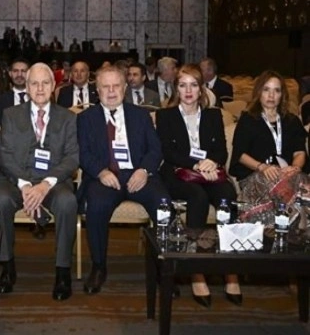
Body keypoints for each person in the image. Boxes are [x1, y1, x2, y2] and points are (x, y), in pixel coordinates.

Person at [77, 66, 168, 295]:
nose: (111, 91)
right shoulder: (85, 118)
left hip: (138, 175)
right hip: (105, 177)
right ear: (97, 90)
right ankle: (99, 266)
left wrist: (144, 170)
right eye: (105, 87)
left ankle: (165, 266)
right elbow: (82, 153)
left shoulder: (140, 115)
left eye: (116, 86)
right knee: (96, 205)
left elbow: (155, 149)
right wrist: (101, 172)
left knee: (164, 205)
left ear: (125, 88)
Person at [155, 64, 240, 308]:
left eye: (193, 85)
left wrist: (212, 162)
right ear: (176, 89)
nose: (188, 90)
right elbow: (168, 152)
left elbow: (221, 151)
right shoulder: (166, 116)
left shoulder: (213, 115)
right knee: (197, 196)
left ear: (201, 89)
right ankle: (196, 271)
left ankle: (230, 268)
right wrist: (197, 164)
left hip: (209, 172)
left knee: (227, 195)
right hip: (178, 174)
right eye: (183, 85)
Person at [0, 62, 79, 301]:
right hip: (15, 179)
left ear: (53, 86)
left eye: (45, 83)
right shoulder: (10, 115)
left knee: (67, 202)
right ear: (27, 87)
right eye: (34, 83)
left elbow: (72, 157)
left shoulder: (68, 117)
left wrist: (45, 185)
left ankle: (63, 271)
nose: (40, 88)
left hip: (53, 181)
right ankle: (6, 266)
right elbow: (4, 156)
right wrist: (25, 185)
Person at [229, 70, 307, 196]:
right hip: (255, 174)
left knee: (303, 188)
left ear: (282, 95)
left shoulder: (292, 121)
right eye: (266, 90)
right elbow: (240, 154)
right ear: (259, 92)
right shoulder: (247, 120)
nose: (271, 95)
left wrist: (294, 168)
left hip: (288, 175)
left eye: (276, 90)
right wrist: (262, 167)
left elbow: (299, 152)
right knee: (279, 189)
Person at [0, 58, 30, 125]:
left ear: (30, 73)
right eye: (15, 71)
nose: (19, 75)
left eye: (23, 71)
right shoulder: (1, 100)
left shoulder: (37, 97)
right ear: (10, 73)